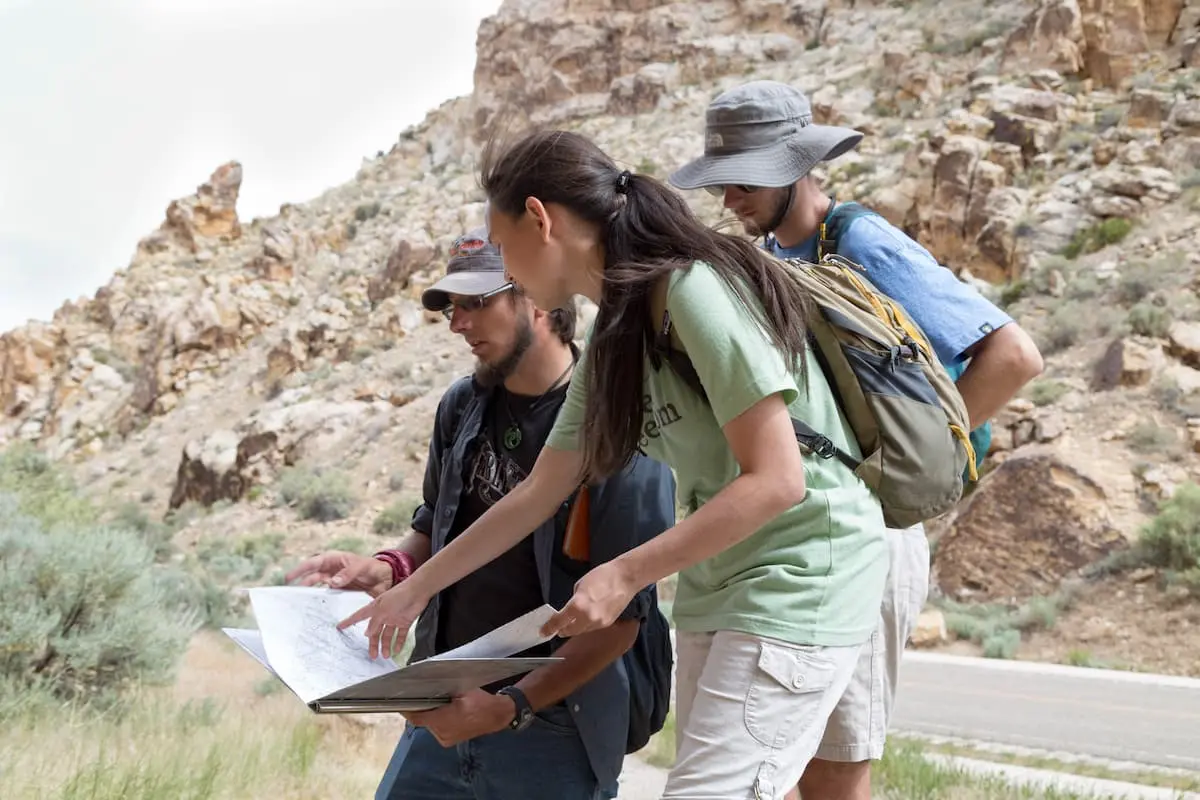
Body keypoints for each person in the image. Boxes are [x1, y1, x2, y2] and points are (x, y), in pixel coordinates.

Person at [337, 129, 893, 800]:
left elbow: (779, 480)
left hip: (806, 571)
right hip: (724, 586)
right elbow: (542, 488)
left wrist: (623, 574)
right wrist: (415, 586)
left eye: (504, 245)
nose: (505, 267)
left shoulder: (692, 288)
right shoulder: (614, 330)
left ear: (540, 220)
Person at [668, 80, 1045, 800]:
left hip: (868, 531)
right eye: (722, 182)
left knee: (835, 774)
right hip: (813, 535)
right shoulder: (777, 259)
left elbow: (1014, 356)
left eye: (743, 179)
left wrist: (915, 463)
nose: (729, 199)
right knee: (785, 762)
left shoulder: (861, 240)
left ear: (794, 165)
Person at [287, 228, 677, 800]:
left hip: (553, 729)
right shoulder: (462, 406)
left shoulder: (614, 429)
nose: (457, 323)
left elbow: (621, 624)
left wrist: (510, 706)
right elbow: (434, 525)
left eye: (477, 303)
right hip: (442, 709)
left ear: (540, 300)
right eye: (452, 307)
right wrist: (388, 568)